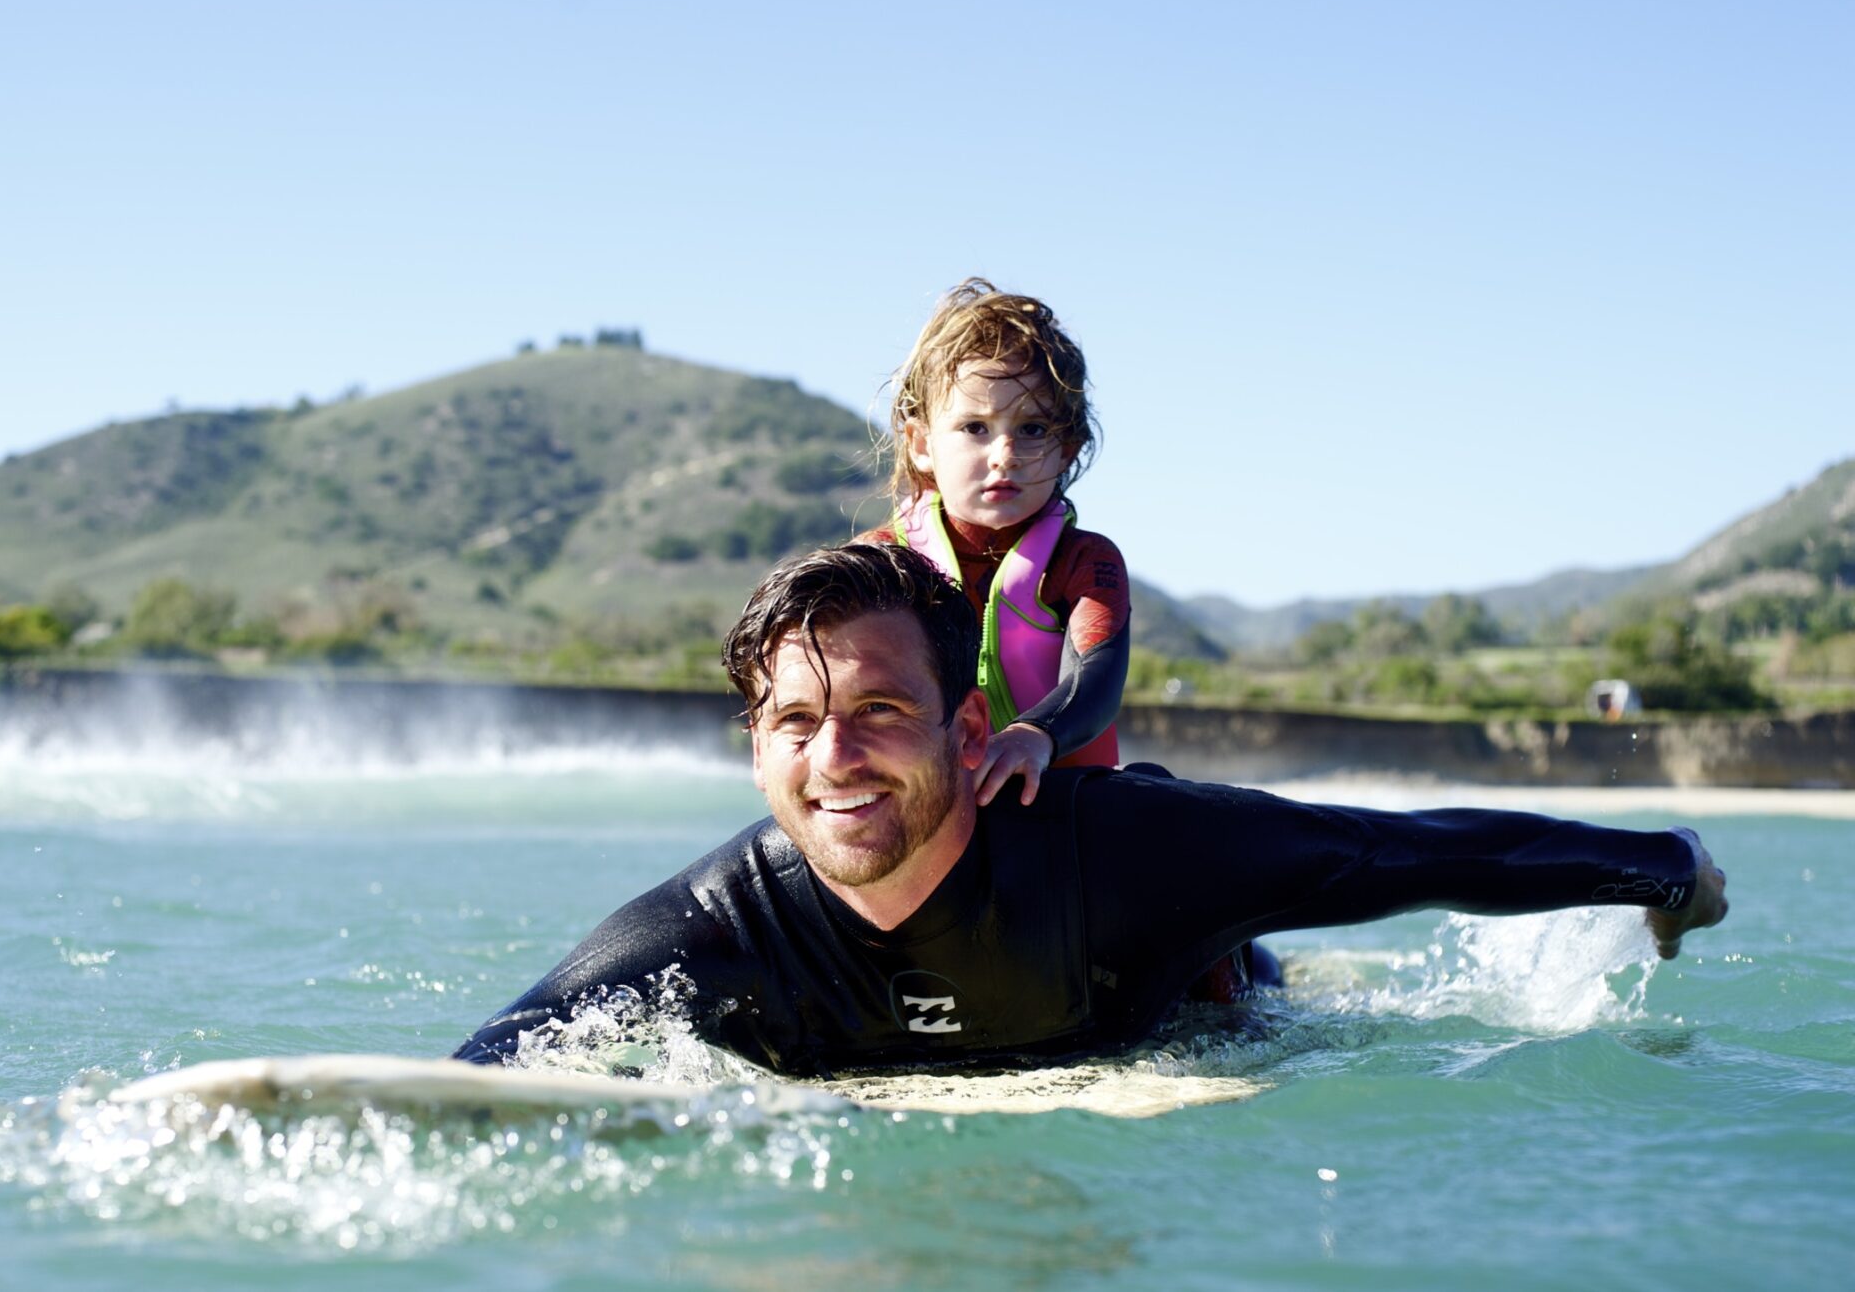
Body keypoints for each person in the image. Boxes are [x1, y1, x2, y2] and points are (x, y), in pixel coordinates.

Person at [455, 544, 1727, 1077]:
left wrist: (1661, 867)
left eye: (879, 713)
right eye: (792, 721)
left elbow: (1399, 851)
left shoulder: (1128, 856)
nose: (831, 757)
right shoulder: (712, 926)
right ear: (754, 744)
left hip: (1199, 1003)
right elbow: (495, 1064)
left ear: (967, 727)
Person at [863, 278, 1126, 807]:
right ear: (919, 445)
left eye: (1032, 430)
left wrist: (1035, 736)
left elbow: (1097, 682)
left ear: (1066, 450)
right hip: (935, 804)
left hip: (1063, 801)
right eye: (975, 427)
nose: (1004, 453)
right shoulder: (880, 562)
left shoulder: (1083, 562)